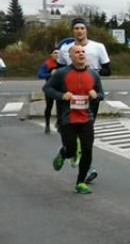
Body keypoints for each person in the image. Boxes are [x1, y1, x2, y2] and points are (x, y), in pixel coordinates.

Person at [44, 44, 103, 194]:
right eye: (77, 52)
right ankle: (63, 153)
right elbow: (47, 88)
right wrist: (62, 96)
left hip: (86, 118)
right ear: (70, 56)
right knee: (71, 151)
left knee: (87, 150)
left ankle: (80, 182)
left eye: (83, 52)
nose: (81, 54)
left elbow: (101, 94)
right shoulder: (62, 73)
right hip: (68, 118)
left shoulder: (93, 75)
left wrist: (96, 95)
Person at [37, 49, 61, 133]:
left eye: (59, 53)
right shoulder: (47, 64)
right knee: (49, 106)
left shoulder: (63, 63)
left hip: (60, 88)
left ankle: (58, 123)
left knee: (60, 107)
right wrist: (50, 74)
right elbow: (40, 75)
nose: (57, 55)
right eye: (55, 53)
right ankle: (47, 124)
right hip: (50, 87)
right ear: (51, 55)